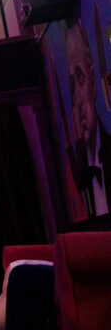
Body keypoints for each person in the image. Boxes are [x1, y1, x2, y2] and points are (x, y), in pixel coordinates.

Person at [67, 23, 110, 217]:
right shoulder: (79, 162)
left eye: (80, 78)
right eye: (71, 86)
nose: (78, 98)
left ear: (93, 82)